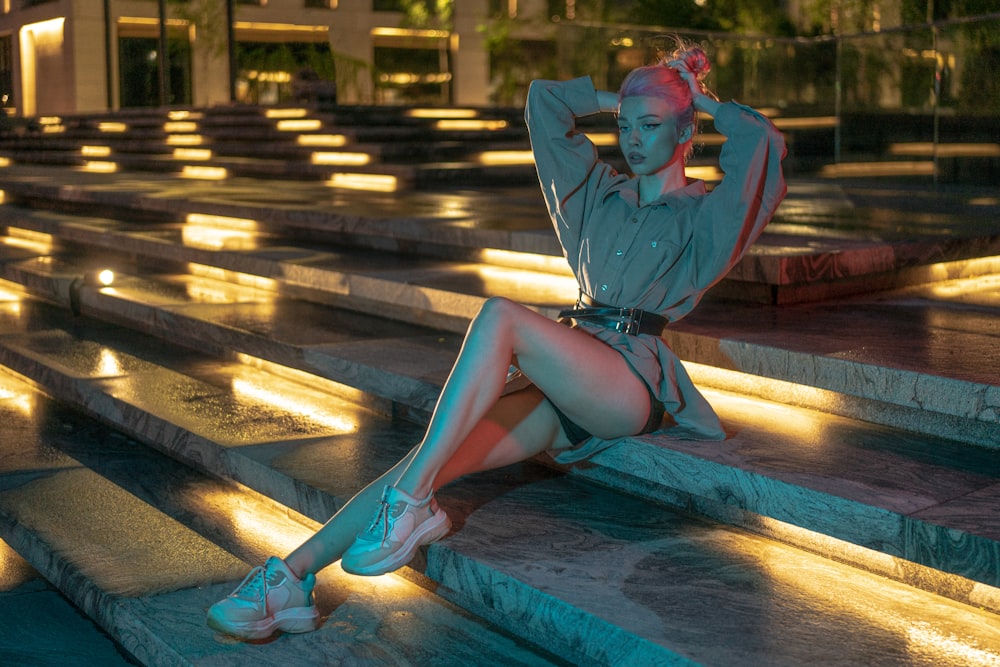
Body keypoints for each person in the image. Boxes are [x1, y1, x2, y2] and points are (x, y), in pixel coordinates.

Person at [206, 39, 787, 640]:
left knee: (500, 316)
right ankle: (290, 578)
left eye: (650, 125)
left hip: (628, 382)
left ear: (686, 131)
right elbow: (544, 105)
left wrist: (693, 96)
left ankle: (409, 509)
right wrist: (635, 92)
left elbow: (763, 145)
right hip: (559, 375)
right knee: (426, 462)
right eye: (623, 126)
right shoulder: (594, 195)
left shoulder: (705, 216)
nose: (632, 139)